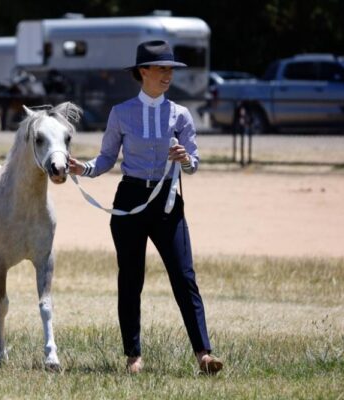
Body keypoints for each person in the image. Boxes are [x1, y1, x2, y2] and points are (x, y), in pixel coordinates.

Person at [69, 40, 223, 375]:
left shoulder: (181, 115)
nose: (168, 75)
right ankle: (133, 356)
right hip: (130, 200)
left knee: (184, 276)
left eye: (171, 69)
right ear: (143, 72)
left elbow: (194, 162)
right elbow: (108, 157)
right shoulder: (121, 113)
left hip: (168, 203)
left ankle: (203, 354)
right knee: (131, 278)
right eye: (162, 69)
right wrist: (85, 169)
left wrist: (187, 159)